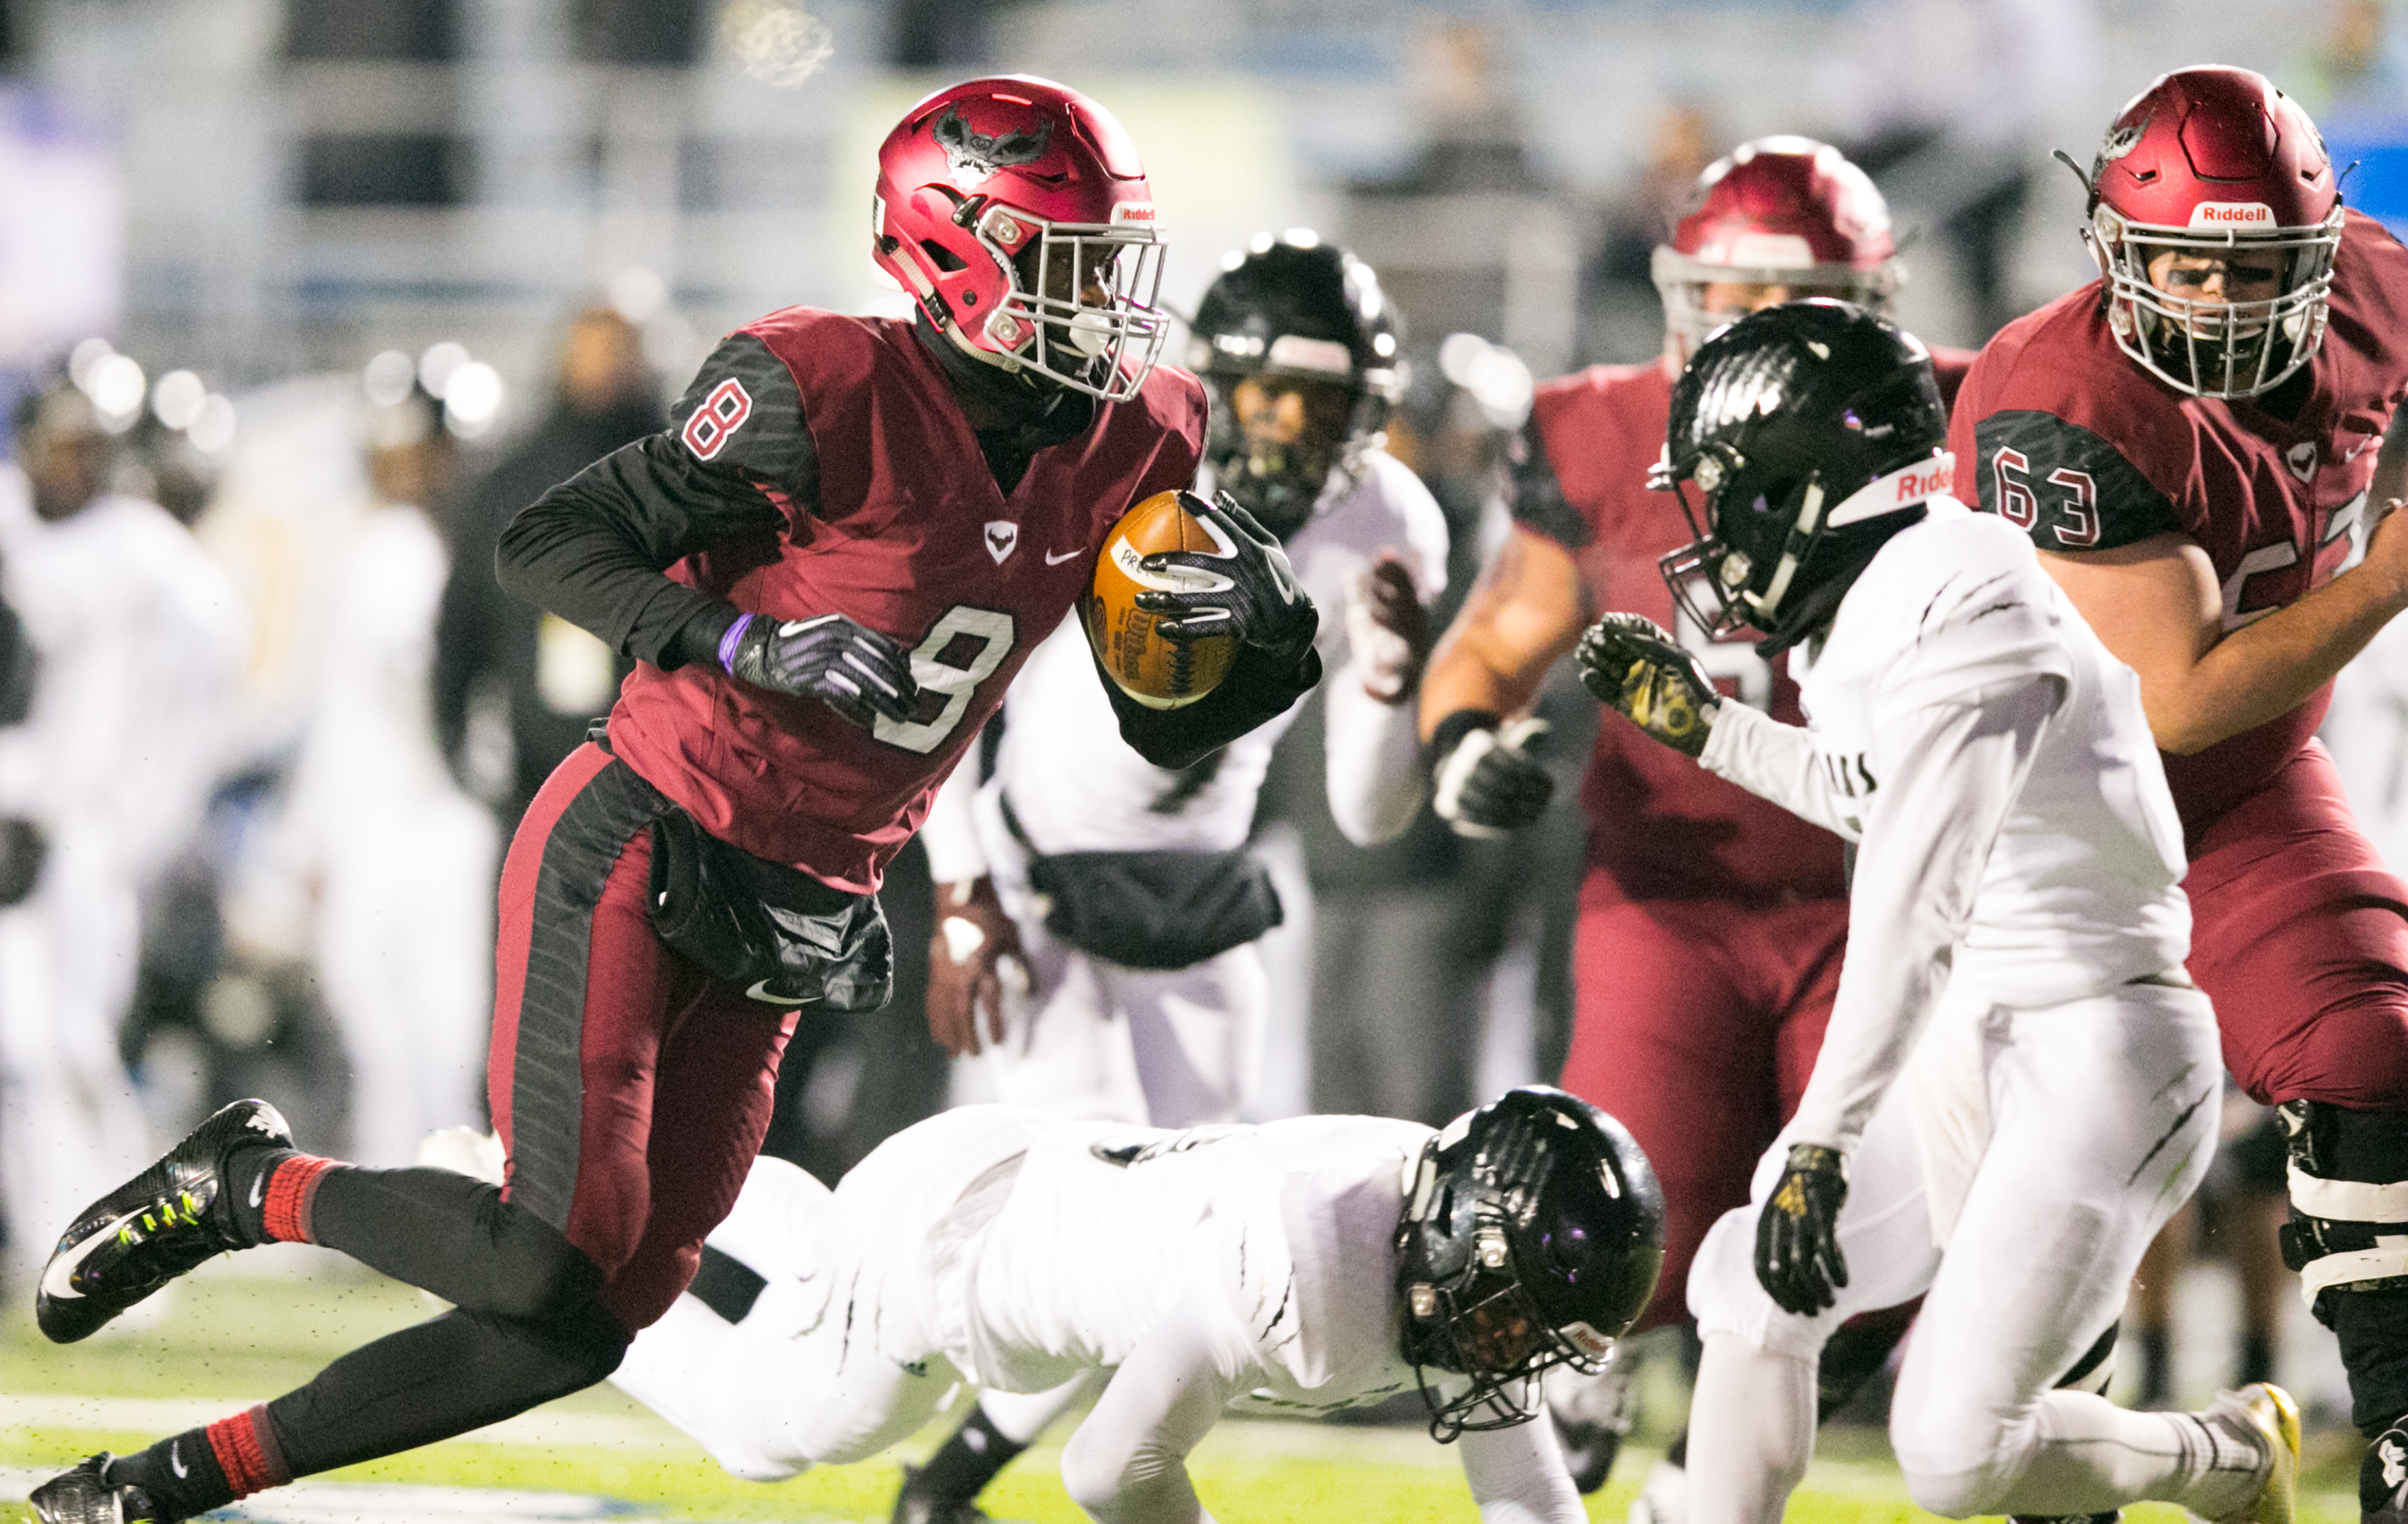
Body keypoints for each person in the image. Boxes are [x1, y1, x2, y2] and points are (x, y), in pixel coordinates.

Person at [28, 75, 1321, 1524]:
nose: (1108, 307)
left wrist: (1255, 660)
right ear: (956, 248)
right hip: (645, 834)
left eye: (1112, 267)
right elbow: (550, 537)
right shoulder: (822, 387)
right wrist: (744, 639)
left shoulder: (1142, 430)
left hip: (802, 905)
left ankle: (157, 1489)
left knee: (590, 1322)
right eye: (1071, 267)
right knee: (543, 1254)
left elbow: (1156, 707)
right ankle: (244, 1183)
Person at [1578, 299, 2295, 1523]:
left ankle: (2228, 1457)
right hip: (1983, 1018)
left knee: (1956, 1449)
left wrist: (1822, 1140)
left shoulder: (1966, 602)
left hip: (2094, 1042)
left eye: (1728, 490)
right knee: (1751, 1283)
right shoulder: (1903, 578)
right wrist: (1711, 726)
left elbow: (1915, 899)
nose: (1714, 529)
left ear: (1807, 489)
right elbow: (1883, 799)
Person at [1415, 136, 1960, 1501]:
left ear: (1874, 302)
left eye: (1805, 298)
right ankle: (1592, 1398)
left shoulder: (1952, 420)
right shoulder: (1604, 429)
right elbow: (1498, 636)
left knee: (1873, 1244)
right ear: (1680, 295)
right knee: (1621, 1217)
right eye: (1734, 296)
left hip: (1885, 897)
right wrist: (1462, 741)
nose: (1765, 329)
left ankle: (1700, 1471)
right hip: (1674, 889)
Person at [904, 231, 1447, 1524]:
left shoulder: (1390, 519)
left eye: (1326, 398)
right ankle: (946, 1453)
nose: (1294, 423)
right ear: (1219, 374)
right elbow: (955, 670)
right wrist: (960, 883)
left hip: (1203, 897)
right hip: (1041, 883)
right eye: (1271, 389)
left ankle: (952, 1485)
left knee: (1184, 1234)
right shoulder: (1119, 454)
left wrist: (1386, 680)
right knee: (1094, 1228)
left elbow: (1369, 812)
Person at [1945, 65, 2408, 1524]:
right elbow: (2174, 694)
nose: (2213, 295)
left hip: (2248, 792)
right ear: (2114, 250)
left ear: (2324, 255)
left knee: (2375, 1046)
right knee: (2027, 1223)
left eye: (2253, 264)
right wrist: (2393, 580)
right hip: (2044, 832)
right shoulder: (2054, 397)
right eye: (2184, 260)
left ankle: (2401, 1430)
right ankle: (2099, 1467)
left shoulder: (2382, 298)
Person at [598, 1088, 1662, 1524]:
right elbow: (1111, 1466)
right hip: (936, 1262)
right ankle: (571, 1282)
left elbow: (1519, 1473)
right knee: (766, 1435)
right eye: (1508, 1320)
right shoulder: (1312, 1269)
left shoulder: (1432, 1204)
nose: (1506, 1354)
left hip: (999, 1167)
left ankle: (628, 1179)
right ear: (1456, 1238)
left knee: (813, 1261)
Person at [0, 381, 246, 1298]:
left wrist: (71, 816)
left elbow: (124, 721)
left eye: (85, 446)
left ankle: (113, 1252)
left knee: (64, 1045)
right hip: (42, 817)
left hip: (67, 834)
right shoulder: (36, 536)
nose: (69, 463)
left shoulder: (140, 557)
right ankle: (43, 1247)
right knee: (27, 1051)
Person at [284, 379, 498, 1168]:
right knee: (392, 1024)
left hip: (441, 813)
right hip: (397, 810)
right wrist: (311, 831)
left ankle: (435, 1198)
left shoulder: (472, 538)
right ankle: (409, 1197)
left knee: (442, 1029)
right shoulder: (383, 547)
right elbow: (350, 705)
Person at [433, 307, 663, 834]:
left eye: (618, 353)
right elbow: (464, 615)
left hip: (663, 777)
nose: (605, 369)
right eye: (592, 352)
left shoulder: (680, 479)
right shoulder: (513, 485)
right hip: (538, 773)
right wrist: (451, 725)